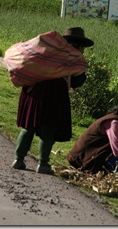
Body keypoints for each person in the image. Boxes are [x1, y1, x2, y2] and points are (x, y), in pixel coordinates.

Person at [12, 27, 94, 175]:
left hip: (32, 91)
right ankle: (43, 164)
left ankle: (18, 160)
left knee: (28, 126)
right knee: (47, 129)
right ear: (80, 46)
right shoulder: (73, 56)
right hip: (55, 93)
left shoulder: (46, 50)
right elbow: (78, 81)